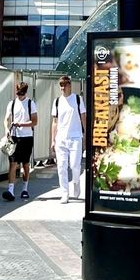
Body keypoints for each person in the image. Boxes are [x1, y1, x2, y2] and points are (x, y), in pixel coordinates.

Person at [51, 75, 86, 204]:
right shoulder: (57, 102)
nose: (63, 87)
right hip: (61, 138)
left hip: (75, 136)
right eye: (61, 85)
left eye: (65, 85)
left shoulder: (77, 99)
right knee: (61, 167)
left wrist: (85, 135)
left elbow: (83, 117)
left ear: (70, 85)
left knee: (75, 165)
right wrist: (53, 140)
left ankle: (76, 182)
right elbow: (54, 122)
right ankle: (65, 193)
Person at [2, 82, 38, 201]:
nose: (19, 96)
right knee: (13, 163)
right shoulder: (11, 104)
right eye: (18, 93)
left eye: (21, 94)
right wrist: (7, 129)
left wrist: (20, 124)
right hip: (14, 137)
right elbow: (6, 119)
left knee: (25, 164)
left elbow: (34, 121)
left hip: (27, 137)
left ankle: (25, 188)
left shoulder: (30, 103)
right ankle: (10, 190)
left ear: (25, 93)